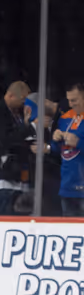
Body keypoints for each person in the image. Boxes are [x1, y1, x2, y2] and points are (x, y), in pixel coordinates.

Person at [0, 81, 33, 215]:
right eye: (22, 100)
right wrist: (28, 127)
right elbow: (6, 140)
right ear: (11, 96)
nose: (24, 104)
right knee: (2, 222)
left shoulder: (15, 113)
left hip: (14, 180)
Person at [51, 82, 84, 216]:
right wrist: (55, 140)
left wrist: (79, 143)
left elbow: (77, 144)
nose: (71, 104)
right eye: (69, 100)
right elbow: (58, 151)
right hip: (67, 188)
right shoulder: (65, 118)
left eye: (74, 100)